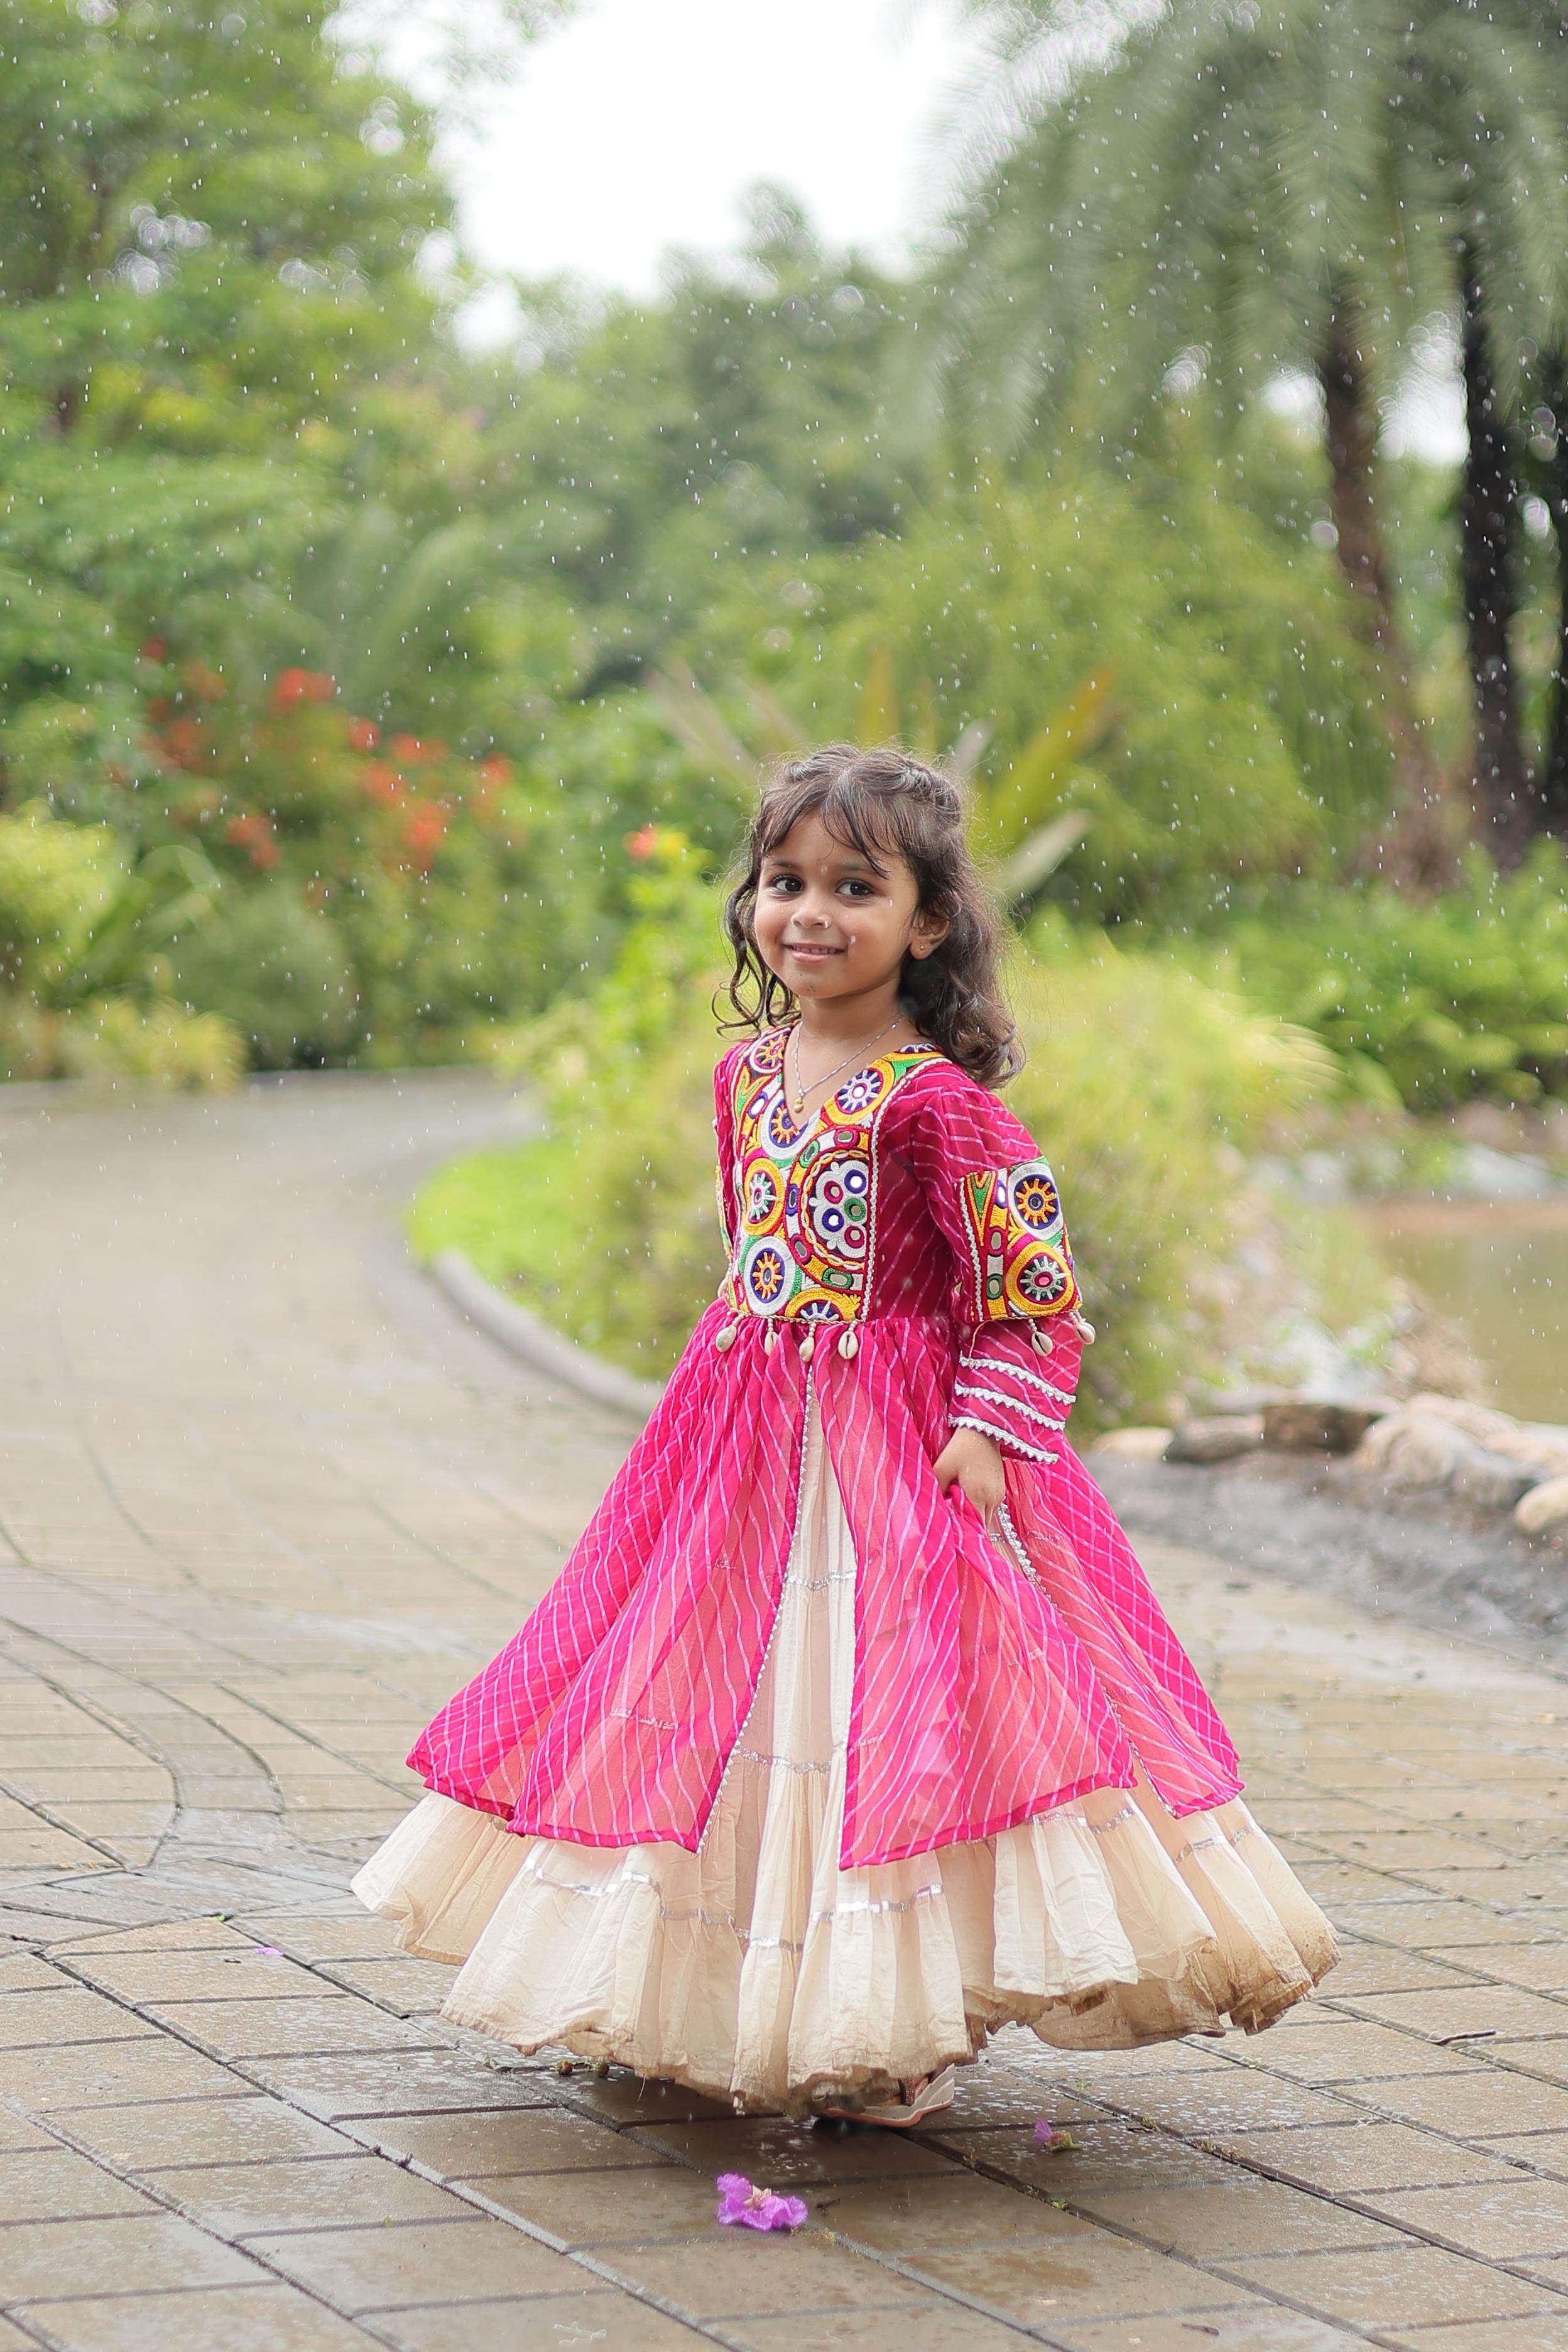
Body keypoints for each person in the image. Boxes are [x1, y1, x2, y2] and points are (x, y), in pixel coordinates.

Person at [354, 744, 1336, 2126]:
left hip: (906, 1463)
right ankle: (703, 1984)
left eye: (853, 888)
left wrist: (991, 1433)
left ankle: (899, 2018)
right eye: (783, 882)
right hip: (743, 1443)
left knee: (899, 1713)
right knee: (725, 1693)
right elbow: (751, 1257)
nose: (807, 914)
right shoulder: (746, 1079)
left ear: (928, 923)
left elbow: (1036, 1307)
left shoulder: (942, 1108)